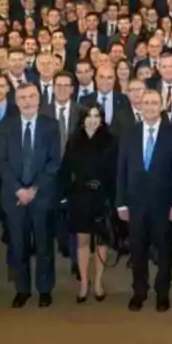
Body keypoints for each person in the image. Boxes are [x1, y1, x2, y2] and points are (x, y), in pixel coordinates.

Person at [0, 83, 63, 308]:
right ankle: (22, 290)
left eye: (31, 96)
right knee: (18, 245)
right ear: (16, 101)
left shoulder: (50, 126)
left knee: (44, 246)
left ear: (39, 99)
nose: (27, 101)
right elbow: (1, 161)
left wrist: (33, 189)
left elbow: (54, 162)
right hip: (14, 197)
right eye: (22, 97)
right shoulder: (6, 126)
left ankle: (45, 290)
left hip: (41, 196)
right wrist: (18, 189)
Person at [117, 89, 172, 312]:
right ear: (140, 106)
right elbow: (121, 171)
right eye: (146, 103)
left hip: (164, 205)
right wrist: (121, 203)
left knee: (164, 251)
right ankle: (139, 291)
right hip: (135, 204)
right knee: (138, 251)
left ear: (162, 106)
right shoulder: (130, 133)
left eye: (154, 103)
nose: (150, 107)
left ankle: (162, 293)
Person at [63, 103, 117, 303]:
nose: (93, 120)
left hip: (103, 197)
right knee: (83, 241)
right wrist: (68, 192)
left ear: (102, 118)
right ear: (82, 118)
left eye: (96, 116)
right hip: (80, 197)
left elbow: (115, 170)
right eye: (89, 116)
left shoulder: (111, 140)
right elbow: (66, 169)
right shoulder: (74, 140)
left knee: (101, 241)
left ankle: (98, 282)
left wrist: (110, 194)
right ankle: (84, 282)